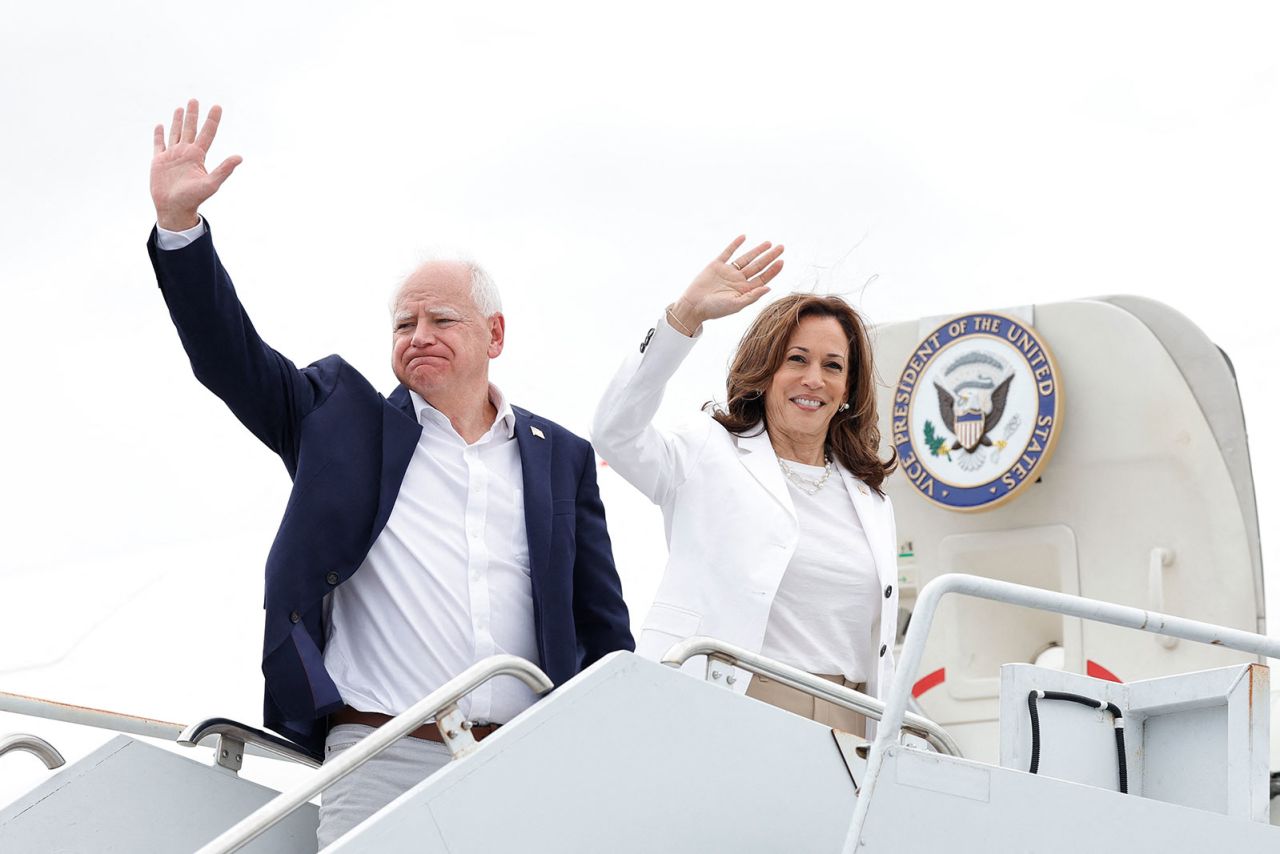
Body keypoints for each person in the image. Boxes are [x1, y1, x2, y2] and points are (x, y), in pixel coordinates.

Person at [147, 100, 633, 845]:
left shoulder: (559, 456)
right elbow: (228, 358)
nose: (419, 336)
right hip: (379, 757)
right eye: (405, 324)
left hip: (527, 767)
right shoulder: (339, 417)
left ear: (494, 334)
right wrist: (181, 232)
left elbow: (603, 629)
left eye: (442, 320)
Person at [592, 236, 897, 737]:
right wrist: (685, 316)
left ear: (848, 388)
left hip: (849, 719)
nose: (813, 379)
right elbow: (615, 432)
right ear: (765, 370)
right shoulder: (705, 454)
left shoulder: (871, 498)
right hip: (733, 705)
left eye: (832, 365)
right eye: (796, 359)